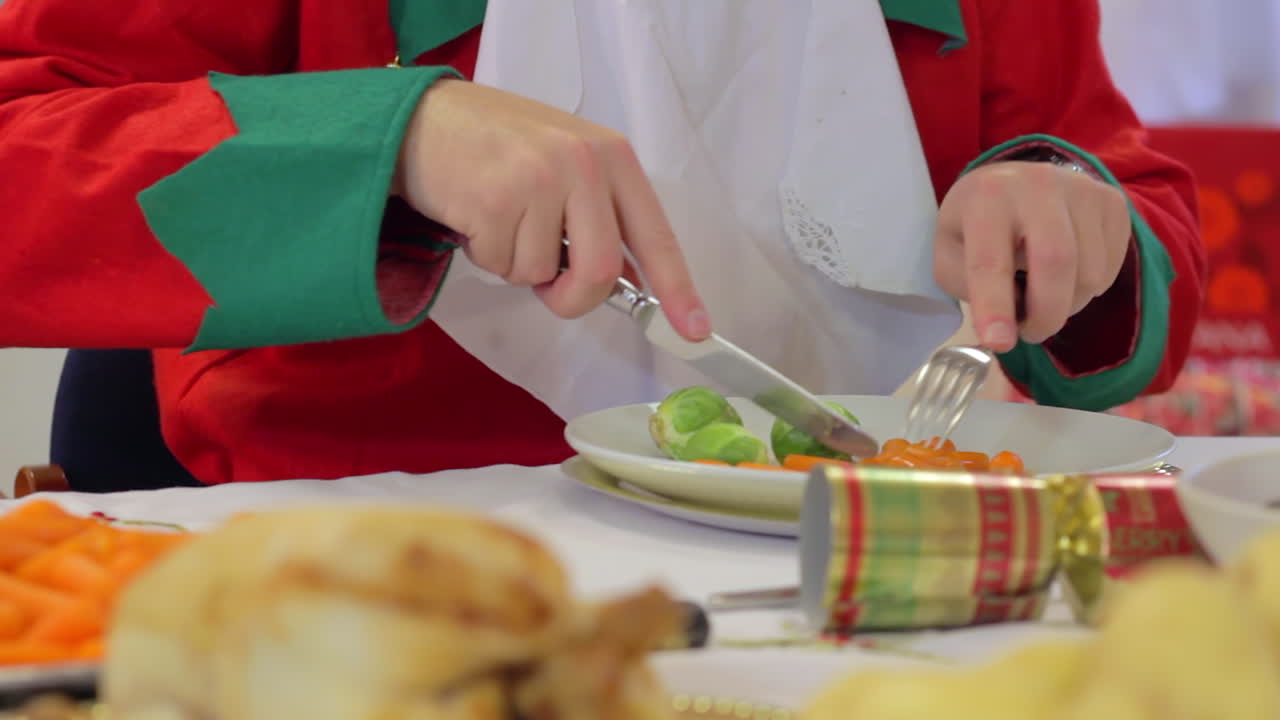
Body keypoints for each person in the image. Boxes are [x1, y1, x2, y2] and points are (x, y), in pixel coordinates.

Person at [0, 0, 1204, 487]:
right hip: (380, 562)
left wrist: (1072, 218)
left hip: (859, 579)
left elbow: (1120, 184)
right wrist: (385, 141)